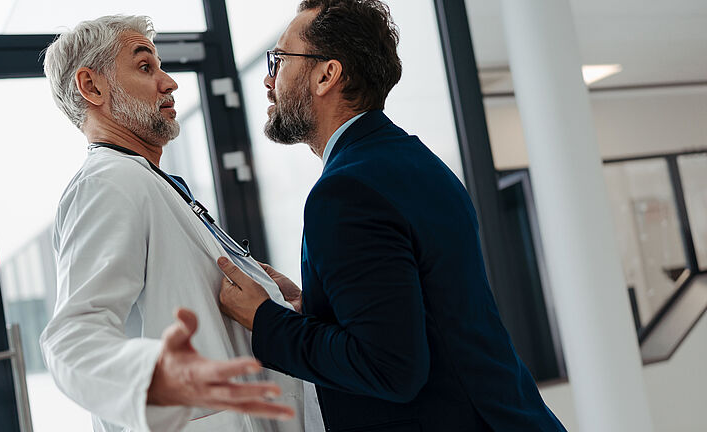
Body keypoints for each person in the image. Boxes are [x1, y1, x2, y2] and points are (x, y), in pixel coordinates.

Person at [217, 1, 568, 431]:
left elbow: (389, 367)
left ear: (327, 75)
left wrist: (265, 320)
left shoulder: (346, 191)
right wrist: (317, 306)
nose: (269, 80)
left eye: (280, 60)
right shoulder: (415, 162)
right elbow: (424, 311)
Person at [39, 15, 305, 432]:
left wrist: (276, 300)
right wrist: (157, 379)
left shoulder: (147, 180)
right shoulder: (108, 183)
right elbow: (71, 340)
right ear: (91, 87)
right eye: (145, 67)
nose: (170, 83)